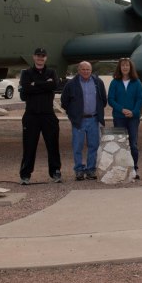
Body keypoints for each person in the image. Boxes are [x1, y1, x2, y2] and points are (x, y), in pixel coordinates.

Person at [18, 47, 62, 185]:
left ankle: (55, 172)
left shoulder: (52, 72)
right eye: (38, 55)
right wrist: (44, 85)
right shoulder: (26, 73)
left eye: (43, 56)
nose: (40, 58)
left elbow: (54, 85)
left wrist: (35, 84)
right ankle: (25, 174)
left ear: (46, 58)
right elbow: (26, 89)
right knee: (29, 146)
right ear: (34, 57)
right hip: (31, 115)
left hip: (48, 114)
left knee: (53, 145)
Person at [60, 61, 107, 180]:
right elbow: (64, 101)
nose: (86, 71)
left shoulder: (98, 82)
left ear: (91, 70)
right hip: (79, 121)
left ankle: (91, 170)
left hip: (94, 119)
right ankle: (79, 170)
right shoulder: (71, 84)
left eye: (88, 69)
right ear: (79, 70)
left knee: (94, 146)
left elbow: (103, 99)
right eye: (83, 69)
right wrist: (73, 114)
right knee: (77, 147)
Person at [107, 57, 142, 180]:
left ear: (130, 67)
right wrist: (121, 109)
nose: (125, 67)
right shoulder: (114, 82)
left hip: (133, 118)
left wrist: (133, 112)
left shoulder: (136, 82)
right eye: (123, 65)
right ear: (120, 67)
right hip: (119, 117)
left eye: (127, 65)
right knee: (120, 144)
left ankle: (134, 169)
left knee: (133, 144)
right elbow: (111, 99)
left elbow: (140, 99)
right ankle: (121, 169)